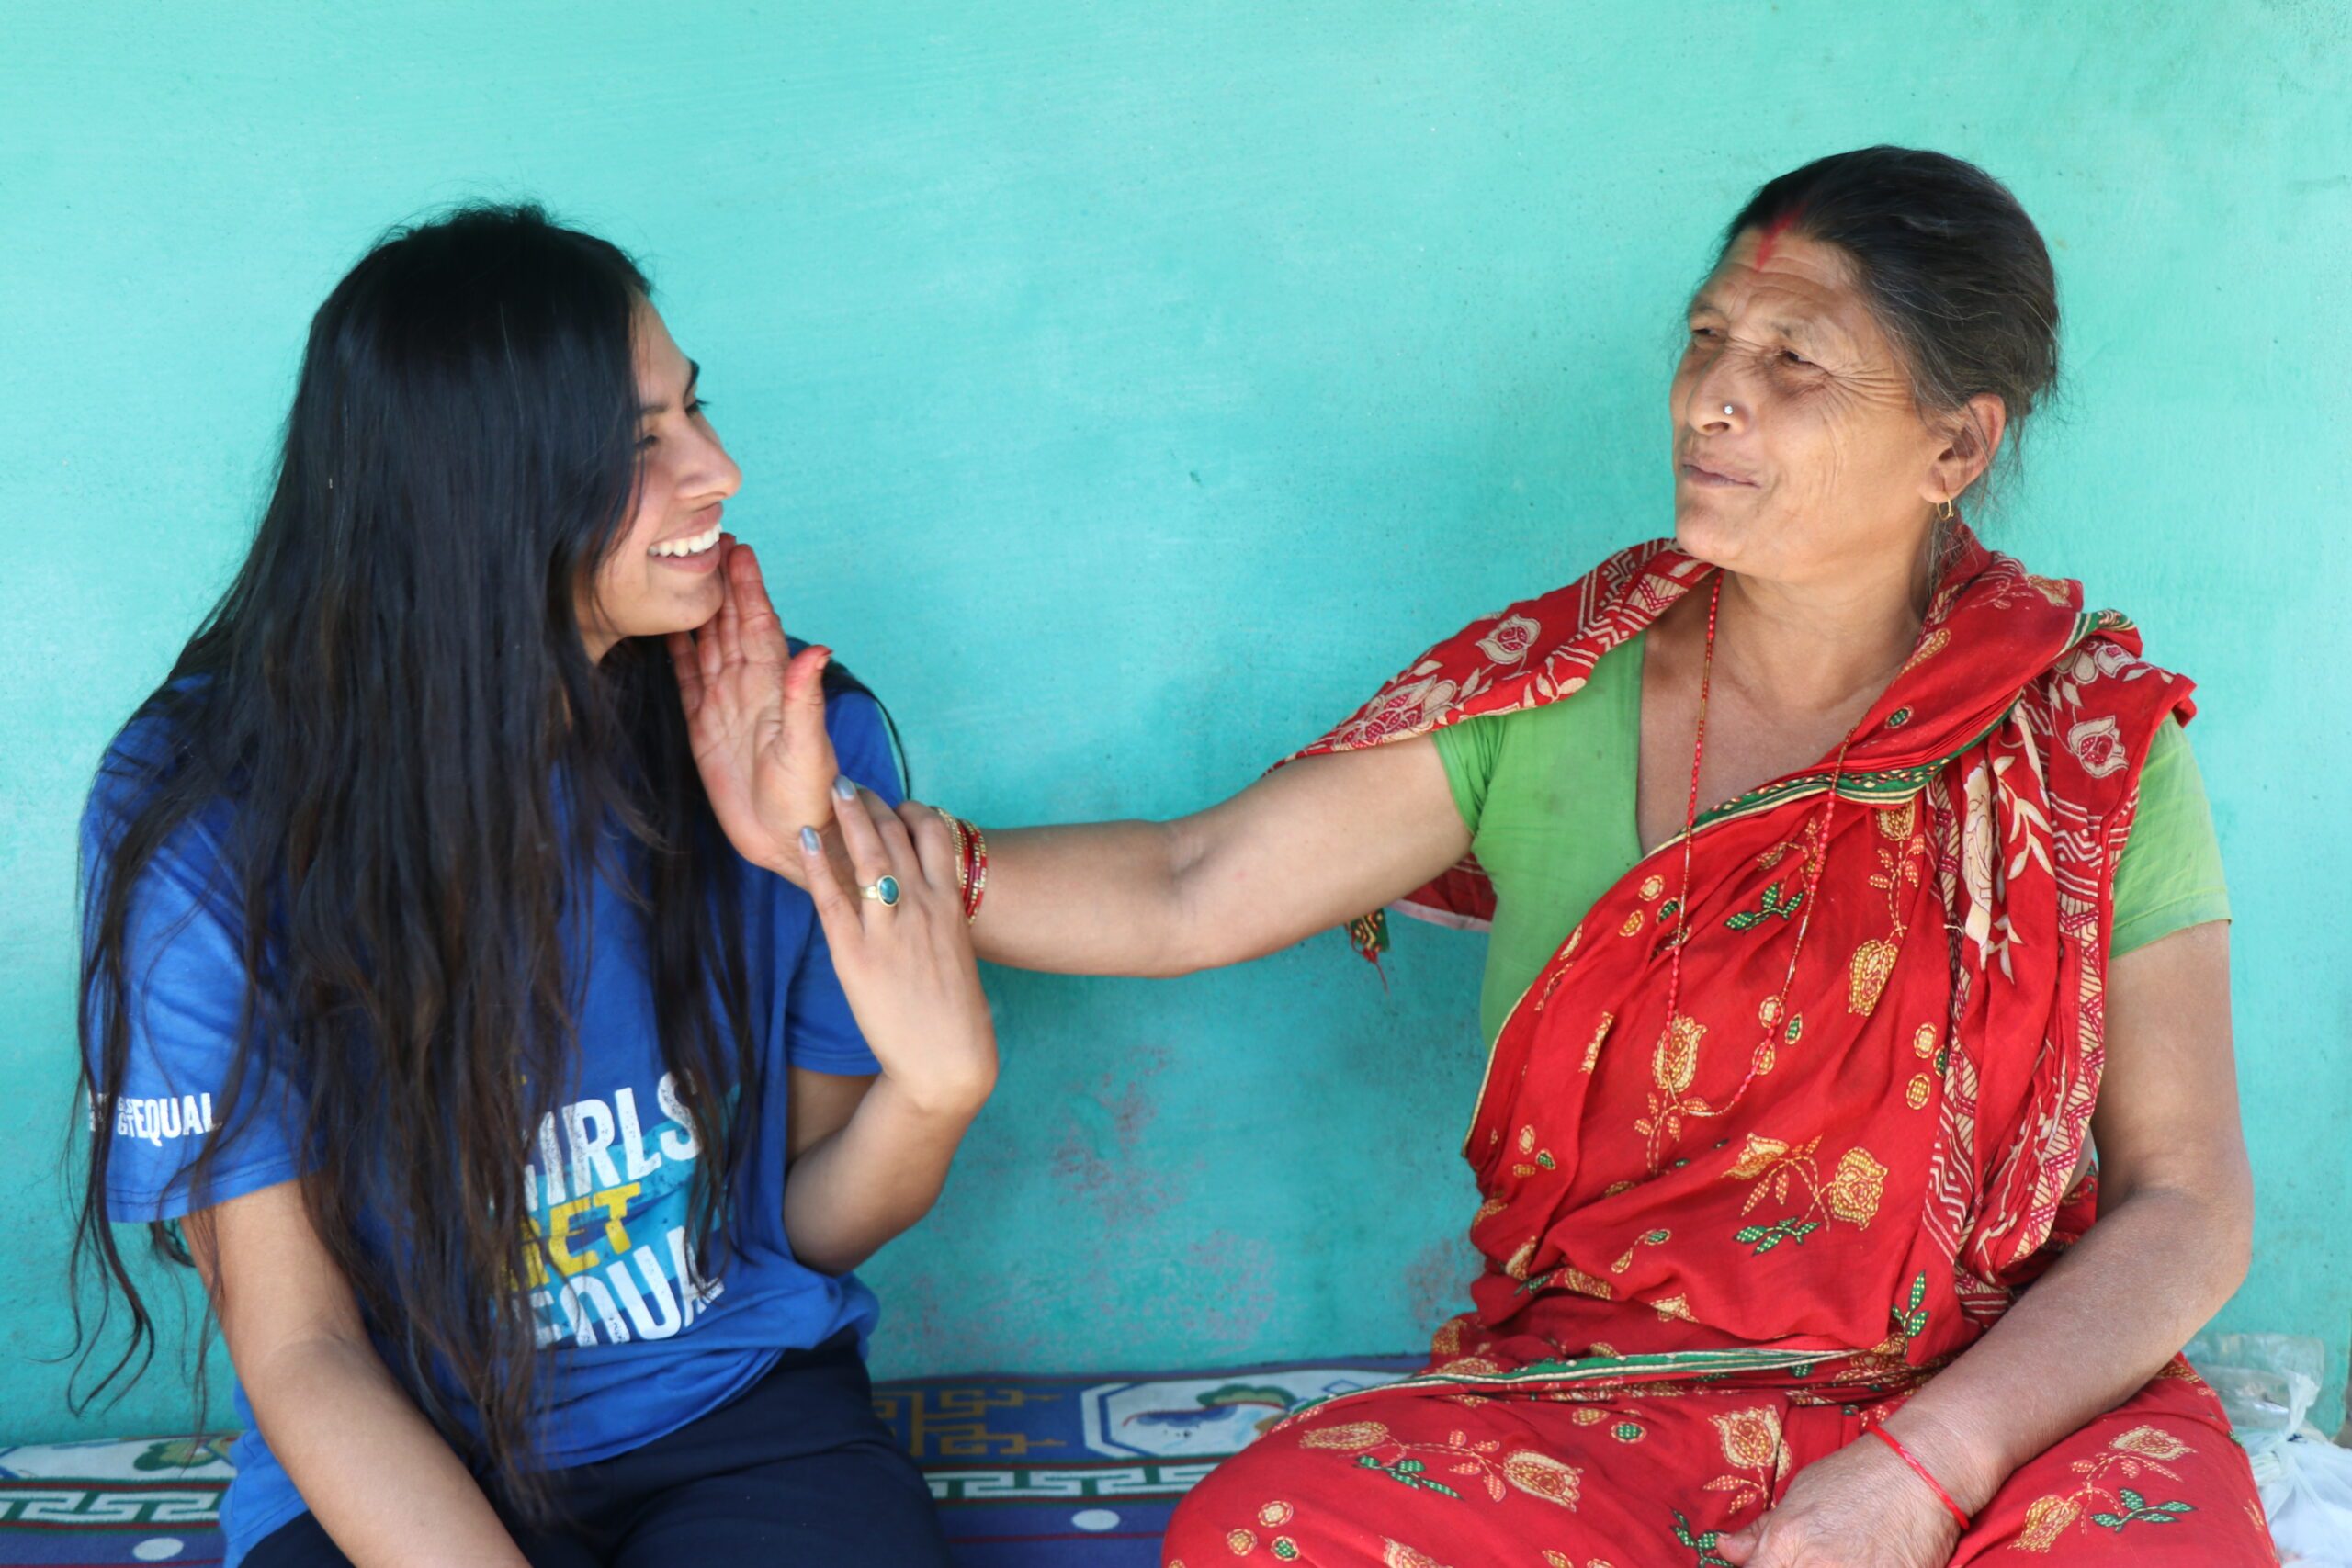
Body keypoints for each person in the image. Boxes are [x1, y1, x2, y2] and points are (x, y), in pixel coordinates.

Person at [764, 148, 2270, 1564]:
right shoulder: (1554, 688)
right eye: (1706, 340)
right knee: (1272, 1534)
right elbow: (1188, 883)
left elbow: (2187, 1207)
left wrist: (1923, 1472)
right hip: (1607, 1402)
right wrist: (843, 846)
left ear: (1956, 441)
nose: (1712, 401)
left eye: (1791, 360)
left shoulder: (2082, 746)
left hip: (1990, 1405)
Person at [74, 206, 994, 1567]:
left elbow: (794, 1223)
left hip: (743, 1421)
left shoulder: (784, 737)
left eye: (696, 412)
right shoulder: (209, 813)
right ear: (478, 490)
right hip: (390, 1452)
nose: (720, 470)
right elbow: (304, 1344)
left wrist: (938, 1091)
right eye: (639, 444)